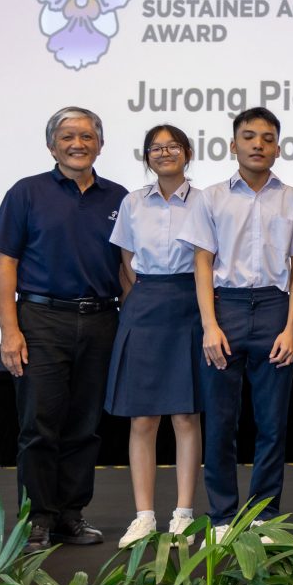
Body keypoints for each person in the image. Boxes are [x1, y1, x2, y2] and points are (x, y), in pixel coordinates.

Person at [177, 107, 293, 542]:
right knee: (221, 423)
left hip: (274, 308)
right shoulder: (211, 198)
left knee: (272, 424)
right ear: (232, 145)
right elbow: (202, 263)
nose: (259, 145)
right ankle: (221, 516)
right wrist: (209, 325)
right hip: (226, 309)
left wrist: (291, 329)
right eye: (250, 137)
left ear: (278, 147)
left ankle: (263, 515)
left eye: (268, 138)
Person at [0, 107, 127, 552]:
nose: (78, 143)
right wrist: (9, 329)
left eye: (87, 136)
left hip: (102, 320)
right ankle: (36, 520)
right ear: (52, 146)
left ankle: (70, 515)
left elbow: (127, 269)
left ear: (100, 145)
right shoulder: (26, 192)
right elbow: (6, 262)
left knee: (85, 426)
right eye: (68, 136)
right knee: (39, 425)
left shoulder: (118, 197)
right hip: (41, 320)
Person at [107, 125, 204, 548]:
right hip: (144, 307)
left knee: (186, 415)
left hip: (190, 304)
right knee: (143, 418)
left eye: (172, 146)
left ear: (187, 152)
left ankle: (183, 514)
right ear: (147, 156)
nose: (164, 153)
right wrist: (143, 299)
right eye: (155, 148)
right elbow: (126, 264)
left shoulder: (205, 201)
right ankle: (144, 516)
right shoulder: (132, 202)